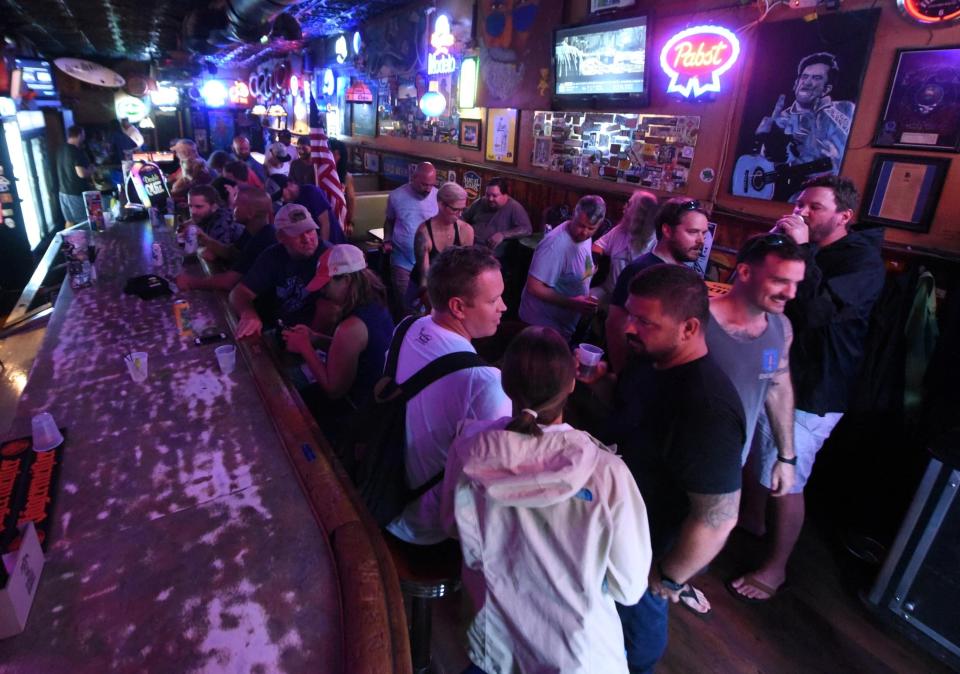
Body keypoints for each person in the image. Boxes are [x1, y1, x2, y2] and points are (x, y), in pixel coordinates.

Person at [440, 326, 652, 674]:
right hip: (577, 655)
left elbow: (451, 526)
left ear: (506, 384)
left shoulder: (468, 450)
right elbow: (628, 588)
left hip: (495, 644)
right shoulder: (607, 472)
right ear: (571, 384)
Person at [728, 175, 884, 602]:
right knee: (754, 447)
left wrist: (806, 250)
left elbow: (815, 313)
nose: (801, 212)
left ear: (843, 216)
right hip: (776, 366)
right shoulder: (799, 246)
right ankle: (753, 520)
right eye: (799, 203)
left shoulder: (863, 263)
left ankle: (776, 568)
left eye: (813, 207)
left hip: (817, 388)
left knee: (786, 473)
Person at [582, 264, 745, 673]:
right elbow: (627, 411)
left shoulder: (708, 408)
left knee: (636, 648)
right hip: (608, 529)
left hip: (645, 552)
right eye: (631, 316)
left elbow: (718, 517)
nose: (630, 328)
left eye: (644, 321)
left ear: (689, 328)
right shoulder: (648, 359)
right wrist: (602, 382)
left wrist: (668, 578)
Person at [386, 245, 511, 545]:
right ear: (457, 307)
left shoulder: (406, 327)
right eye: (494, 300)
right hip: (430, 528)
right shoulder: (484, 381)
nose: (503, 307)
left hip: (385, 494)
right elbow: (498, 475)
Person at [282, 245, 394, 428]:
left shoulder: (351, 327)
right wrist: (315, 338)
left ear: (347, 280)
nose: (322, 291)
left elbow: (334, 390)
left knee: (286, 397)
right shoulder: (376, 302)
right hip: (379, 403)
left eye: (326, 284)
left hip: (358, 413)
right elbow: (354, 351)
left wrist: (305, 347)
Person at [606, 198, 710, 372]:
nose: (701, 241)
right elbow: (615, 325)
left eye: (704, 233)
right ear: (667, 230)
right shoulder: (640, 270)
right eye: (693, 232)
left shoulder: (688, 275)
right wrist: (622, 376)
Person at [754, 52, 854, 201]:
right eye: (804, 77)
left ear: (826, 89)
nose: (807, 82)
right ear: (796, 83)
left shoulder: (844, 109)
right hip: (799, 195)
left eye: (816, 78)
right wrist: (768, 139)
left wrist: (824, 110)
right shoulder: (782, 120)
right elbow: (767, 161)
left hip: (834, 197)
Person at [229, 203, 328, 338]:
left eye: (309, 230)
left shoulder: (331, 256)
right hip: (280, 332)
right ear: (281, 237)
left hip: (316, 339)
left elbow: (332, 312)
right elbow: (239, 293)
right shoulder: (273, 255)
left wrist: (309, 341)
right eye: (297, 233)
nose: (306, 239)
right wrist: (248, 314)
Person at [518, 195, 604, 341]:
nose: (584, 232)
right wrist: (573, 303)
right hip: (540, 327)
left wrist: (589, 271)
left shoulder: (584, 237)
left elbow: (582, 260)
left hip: (562, 326)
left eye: (591, 228)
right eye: (581, 225)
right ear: (574, 216)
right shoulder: (554, 245)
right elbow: (534, 287)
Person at [175, 186, 276, 292]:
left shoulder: (263, 240)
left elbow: (228, 282)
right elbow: (230, 253)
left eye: (236, 205)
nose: (232, 208)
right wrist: (204, 238)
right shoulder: (252, 230)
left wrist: (191, 282)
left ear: (250, 213)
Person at [407, 182, 475, 311]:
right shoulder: (424, 232)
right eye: (455, 209)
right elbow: (424, 279)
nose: (460, 214)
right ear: (441, 204)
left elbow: (465, 269)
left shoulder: (466, 230)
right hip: (424, 286)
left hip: (449, 287)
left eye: (463, 209)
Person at [383, 162, 439, 314]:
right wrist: (387, 240)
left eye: (431, 185)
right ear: (414, 177)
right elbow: (389, 221)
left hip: (428, 260)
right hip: (403, 258)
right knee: (405, 305)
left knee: (428, 306)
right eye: (424, 184)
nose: (428, 189)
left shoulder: (438, 196)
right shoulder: (396, 196)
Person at [591, 189, 658, 302]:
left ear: (639, 213)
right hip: (608, 291)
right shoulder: (620, 230)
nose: (624, 206)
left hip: (635, 301)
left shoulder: (655, 241)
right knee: (584, 298)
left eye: (629, 204)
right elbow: (598, 246)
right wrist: (591, 265)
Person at [461, 177, 532, 252]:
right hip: (469, 245)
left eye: (495, 196)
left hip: (491, 253)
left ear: (505, 195)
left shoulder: (514, 207)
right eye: (488, 195)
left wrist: (503, 234)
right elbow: (463, 216)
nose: (490, 199)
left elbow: (527, 229)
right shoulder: (481, 201)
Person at [181, 184, 245, 263]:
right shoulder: (207, 216)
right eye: (190, 206)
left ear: (214, 207)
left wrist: (197, 241)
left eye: (199, 207)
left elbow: (210, 256)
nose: (193, 211)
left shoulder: (222, 221)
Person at [274, 175, 344, 244]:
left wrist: (322, 247)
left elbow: (325, 223)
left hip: (332, 241)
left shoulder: (311, 191)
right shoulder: (287, 204)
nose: (281, 199)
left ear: (288, 184)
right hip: (311, 243)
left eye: (281, 194)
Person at [56, 125, 93, 227]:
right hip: (75, 193)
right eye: (83, 135)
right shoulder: (75, 151)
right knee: (82, 223)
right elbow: (81, 173)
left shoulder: (61, 149)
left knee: (69, 221)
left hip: (63, 192)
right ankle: (84, 243)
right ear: (79, 135)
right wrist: (91, 170)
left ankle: (68, 242)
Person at [327, 137, 356, 235]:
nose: (330, 156)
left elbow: (351, 199)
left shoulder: (346, 176)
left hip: (340, 218)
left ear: (341, 156)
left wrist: (349, 222)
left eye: (334, 153)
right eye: (328, 152)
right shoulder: (320, 174)